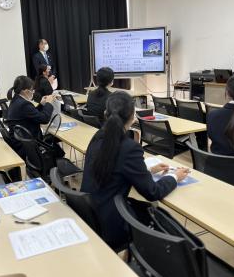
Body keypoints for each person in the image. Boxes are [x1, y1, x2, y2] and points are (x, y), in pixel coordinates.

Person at [81, 92, 190, 250]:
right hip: (113, 224)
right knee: (158, 215)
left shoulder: (98, 137)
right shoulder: (129, 147)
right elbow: (152, 192)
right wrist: (174, 176)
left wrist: (147, 169)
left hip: (92, 213)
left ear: (106, 114)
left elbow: (113, 167)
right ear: (133, 117)